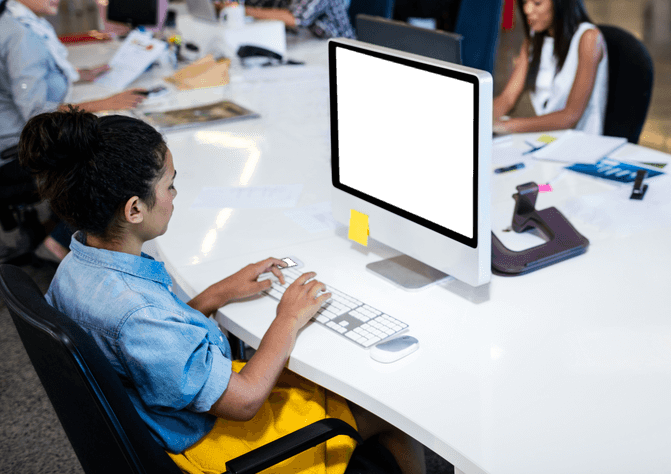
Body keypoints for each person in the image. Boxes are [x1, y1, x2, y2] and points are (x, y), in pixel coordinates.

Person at [23, 109, 425, 474]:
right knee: (392, 413)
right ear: (134, 210)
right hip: (210, 444)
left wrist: (218, 294)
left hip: (164, 417)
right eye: (170, 187)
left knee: (322, 380)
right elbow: (245, 401)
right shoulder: (137, 312)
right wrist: (287, 319)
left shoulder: (77, 266)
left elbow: (147, 349)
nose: (175, 198)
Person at [0, 0, 147, 259]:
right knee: (106, 159)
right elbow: (36, 112)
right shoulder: (22, 37)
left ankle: (60, 221)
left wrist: (83, 75)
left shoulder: (21, 21)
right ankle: (57, 241)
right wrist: (105, 103)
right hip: (12, 150)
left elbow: (39, 75)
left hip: (13, 137)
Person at [492, 0, 609, 135]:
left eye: (537, 2)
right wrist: (480, 118)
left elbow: (570, 116)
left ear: (559, 1)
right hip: (543, 138)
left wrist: (507, 126)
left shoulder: (589, 39)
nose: (527, 10)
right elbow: (508, 97)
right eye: (524, 2)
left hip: (577, 142)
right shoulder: (534, 40)